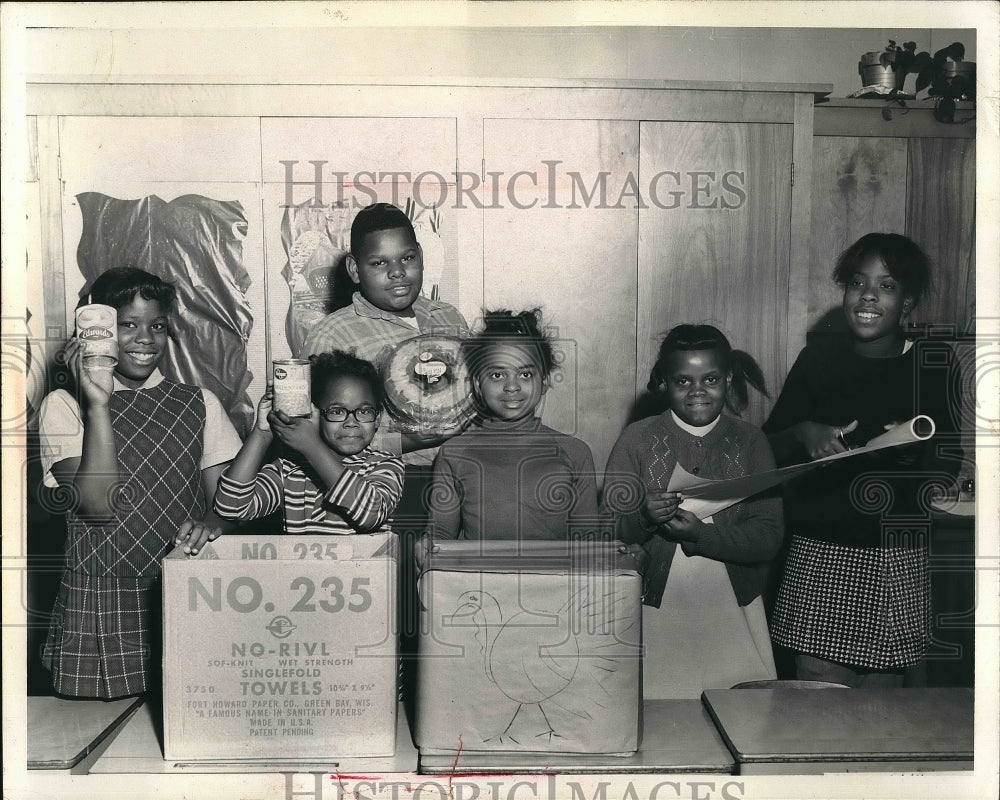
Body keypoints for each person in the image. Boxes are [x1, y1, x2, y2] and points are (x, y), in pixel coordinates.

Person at [763, 233, 960, 688]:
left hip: (894, 561)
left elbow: (948, 463)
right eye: (857, 283)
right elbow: (766, 450)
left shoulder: (933, 361)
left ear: (907, 303)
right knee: (816, 707)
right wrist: (802, 432)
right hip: (821, 559)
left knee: (883, 720)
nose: (868, 295)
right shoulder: (816, 359)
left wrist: (908, 450)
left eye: (887, 286)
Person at [38, 267, 241, 698]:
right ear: (92, 331)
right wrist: (97, 404)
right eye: (127, 325)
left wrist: (211, 523)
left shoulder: (199, 403)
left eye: (158, 326)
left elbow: (227, 506)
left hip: (183, 591)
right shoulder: (63, 406)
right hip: (99, 602)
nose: (145, 338)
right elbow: (98, 505)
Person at [602, 324, 783, 698]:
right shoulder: (637, 438)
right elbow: (606, 530)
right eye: (683, 381)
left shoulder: (751, 442)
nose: (698, 391)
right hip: (655, 609)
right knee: (659, 708)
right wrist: (643, 517)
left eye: (711, 379)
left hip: (731, 608)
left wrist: (701, 534)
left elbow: (768, 537)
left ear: (728, 379)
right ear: (664, 383)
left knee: (740, 709)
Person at [299, 202, 469, 460]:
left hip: (468, 472)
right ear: (355, 270)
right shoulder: (332, 335)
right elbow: (313, 433)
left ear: (421, 257)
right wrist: (404, 441)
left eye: (408, 258)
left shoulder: (448, 315)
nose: (397, 272)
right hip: (387, 484)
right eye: (379, 263)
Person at [425, 309, 599, 542]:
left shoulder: (575, 452)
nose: (512, 387)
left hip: (553, 577)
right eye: (497, 375)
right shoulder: (453, 453)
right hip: (477, 577)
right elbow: (440, 536)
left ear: (545, 381)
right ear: (477, 384)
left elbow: (588, 539)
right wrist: (425, 545)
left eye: (525, 374)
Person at [214, 350, 404, 535]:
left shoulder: (385, 465)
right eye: (336, 411)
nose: (351, 423)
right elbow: (231, 509)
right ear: (312, 414)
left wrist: (312, 447)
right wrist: (262, 434)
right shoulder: (289, 470)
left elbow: (371, 514)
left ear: (378, 418)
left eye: (364, 411)